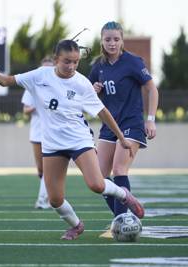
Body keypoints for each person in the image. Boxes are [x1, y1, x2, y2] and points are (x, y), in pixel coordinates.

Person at [0, 39, 145, 240]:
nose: (71, 67)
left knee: (96, 184)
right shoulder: (39, 75)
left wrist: (121, 137)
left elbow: (102, 112)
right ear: (56, 59)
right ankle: (76, 225)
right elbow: (8, 80)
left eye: (76, 62)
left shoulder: (81, 82)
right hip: (52, 144)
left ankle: (124, 195)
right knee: (55, 199)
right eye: (67, 61)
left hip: (79, 140)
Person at [88, 21, 158, 236]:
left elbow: (151, 89)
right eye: (108, 39)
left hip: (131, 124)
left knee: (119, 170)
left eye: (116, 39)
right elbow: (87, 98)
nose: (112, 43)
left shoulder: (133, 62)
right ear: (102, 40)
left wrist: (150, 119)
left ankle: (120, 221)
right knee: (98, 179)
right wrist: (93, 90)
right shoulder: (97, 66)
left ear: (122, 41)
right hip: (109, 126)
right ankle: (124, 215)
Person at [21, 56, 54, 209]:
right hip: (36, 133)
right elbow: (25, 109)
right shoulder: (32, 86)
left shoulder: (57, 85)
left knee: (50, 168)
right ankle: (47, 196)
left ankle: (44, 199)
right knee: (41, 170)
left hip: (53, 132)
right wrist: (38, 105)